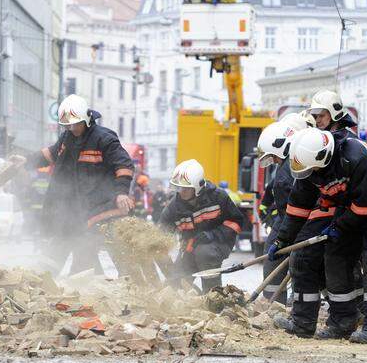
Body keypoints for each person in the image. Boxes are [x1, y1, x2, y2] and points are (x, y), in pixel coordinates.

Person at [269, 127, 367, 343]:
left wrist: (339, 228)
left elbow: (365, 204)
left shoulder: (355, 157)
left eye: (311, 170)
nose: (309, 175)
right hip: (349, 206)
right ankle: (343, 322)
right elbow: (298, 207)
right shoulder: (311, 168)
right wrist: (282, 239)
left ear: (322, 159)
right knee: (334, 258)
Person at [24, 94, 135, 275]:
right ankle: (43, 281)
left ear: (86, 119)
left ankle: (121, 283)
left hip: (100, 207)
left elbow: (124, 164)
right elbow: (49, 154)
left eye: (75, 124)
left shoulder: (104, 139)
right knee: (58, 249)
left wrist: (122, 192)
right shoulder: (67, 139)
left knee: (87, 251)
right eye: (67, 125)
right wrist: (25, 161)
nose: (71, 128)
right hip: (74, 209)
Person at [159, 159, 244, 292]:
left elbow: (236, 222)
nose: (181, 192)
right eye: (178, 187)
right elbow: (161, 232)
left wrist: (212, 235)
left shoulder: (218, 197)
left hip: (218, 244)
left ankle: (212, 296)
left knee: (204, 253)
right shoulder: (174, 207)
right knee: (175, 283)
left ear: (197, 187)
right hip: (189, 247)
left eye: (185, 189)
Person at [256, 122, 297, 305]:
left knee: (277, 263)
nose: (272, 161)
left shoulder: (284, 175)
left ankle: (275, 305)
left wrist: (282, 238)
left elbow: (292, 212)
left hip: (292, 224)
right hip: (291, 223)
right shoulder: (290, 165)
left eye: (273, 156)